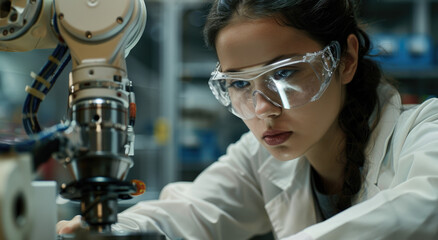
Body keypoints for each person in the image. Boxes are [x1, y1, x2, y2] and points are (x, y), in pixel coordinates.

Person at [57, 0, 438, 239]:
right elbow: (192, 212)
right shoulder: (258, 159)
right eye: (239, 83)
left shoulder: (424, 131)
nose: (262, 109)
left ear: (346, 60)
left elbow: (424, 207)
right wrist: (117, 231)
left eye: (286, 73)